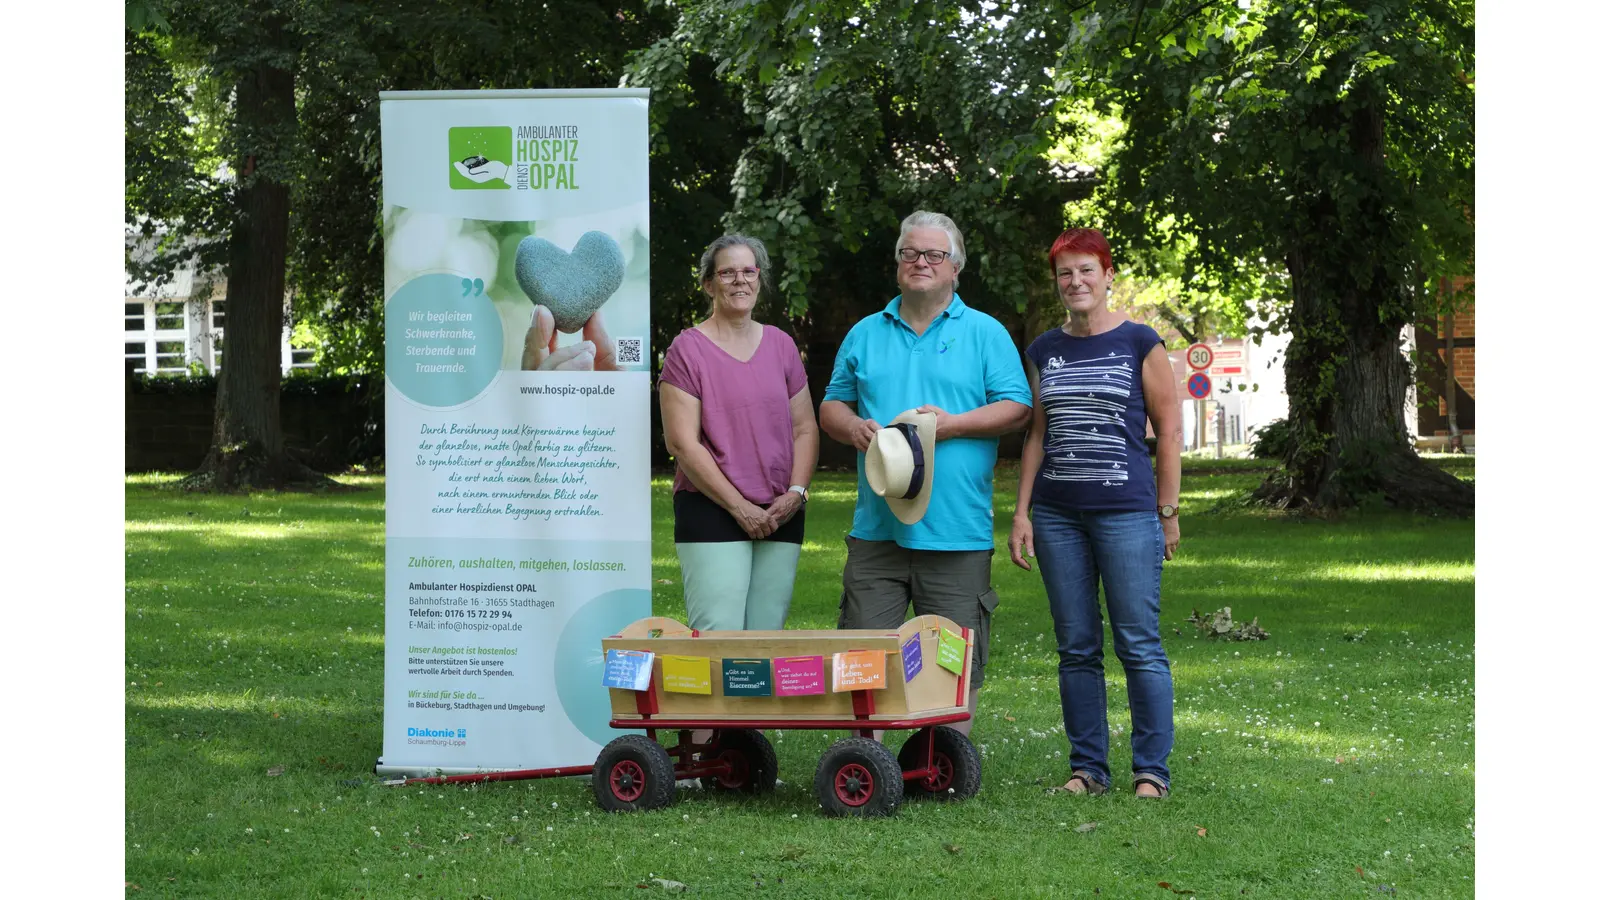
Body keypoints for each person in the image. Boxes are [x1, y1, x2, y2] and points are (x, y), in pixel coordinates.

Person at [819, 210, 1032, 737]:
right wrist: (851, 428)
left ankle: (942, 764)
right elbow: (831, 405)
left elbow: (1018, 407)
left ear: (955, 267)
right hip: (877, 527)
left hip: (956, 529)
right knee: (865, 656)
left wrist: (954, 426)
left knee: (953, 661)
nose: (921, 263)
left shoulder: (985, 332)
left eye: (934, 255)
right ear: (897, 265)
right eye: (910, 253)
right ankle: (862, 764)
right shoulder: (866, 333)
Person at [1007, 227, 1182, 799]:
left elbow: (1170, 430)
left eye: (1087, 270)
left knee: (1138, 643)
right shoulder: (1043, 350)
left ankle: (1151, 772)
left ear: (1108, 274)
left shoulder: (1140, 341)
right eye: (1065, 273)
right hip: (1058, 517)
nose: (1076, 281)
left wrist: (1168, 510)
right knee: (1076, 646)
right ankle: (1088, 770)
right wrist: (1022, 513)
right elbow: (1036, 434)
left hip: (1128, 515)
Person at [658, 234, 818, 632]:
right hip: (712, 507)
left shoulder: (782, 345)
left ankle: (758, 701)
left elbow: (805, 428)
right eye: (727, 272)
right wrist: (738, 507)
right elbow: (682, 443)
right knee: (719, 639)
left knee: (766, 639)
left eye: (749, 271)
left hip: (781, 512)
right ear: (709, 284)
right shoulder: (686, 350)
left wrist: (796, 494)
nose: (739, 280)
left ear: (759, 280)